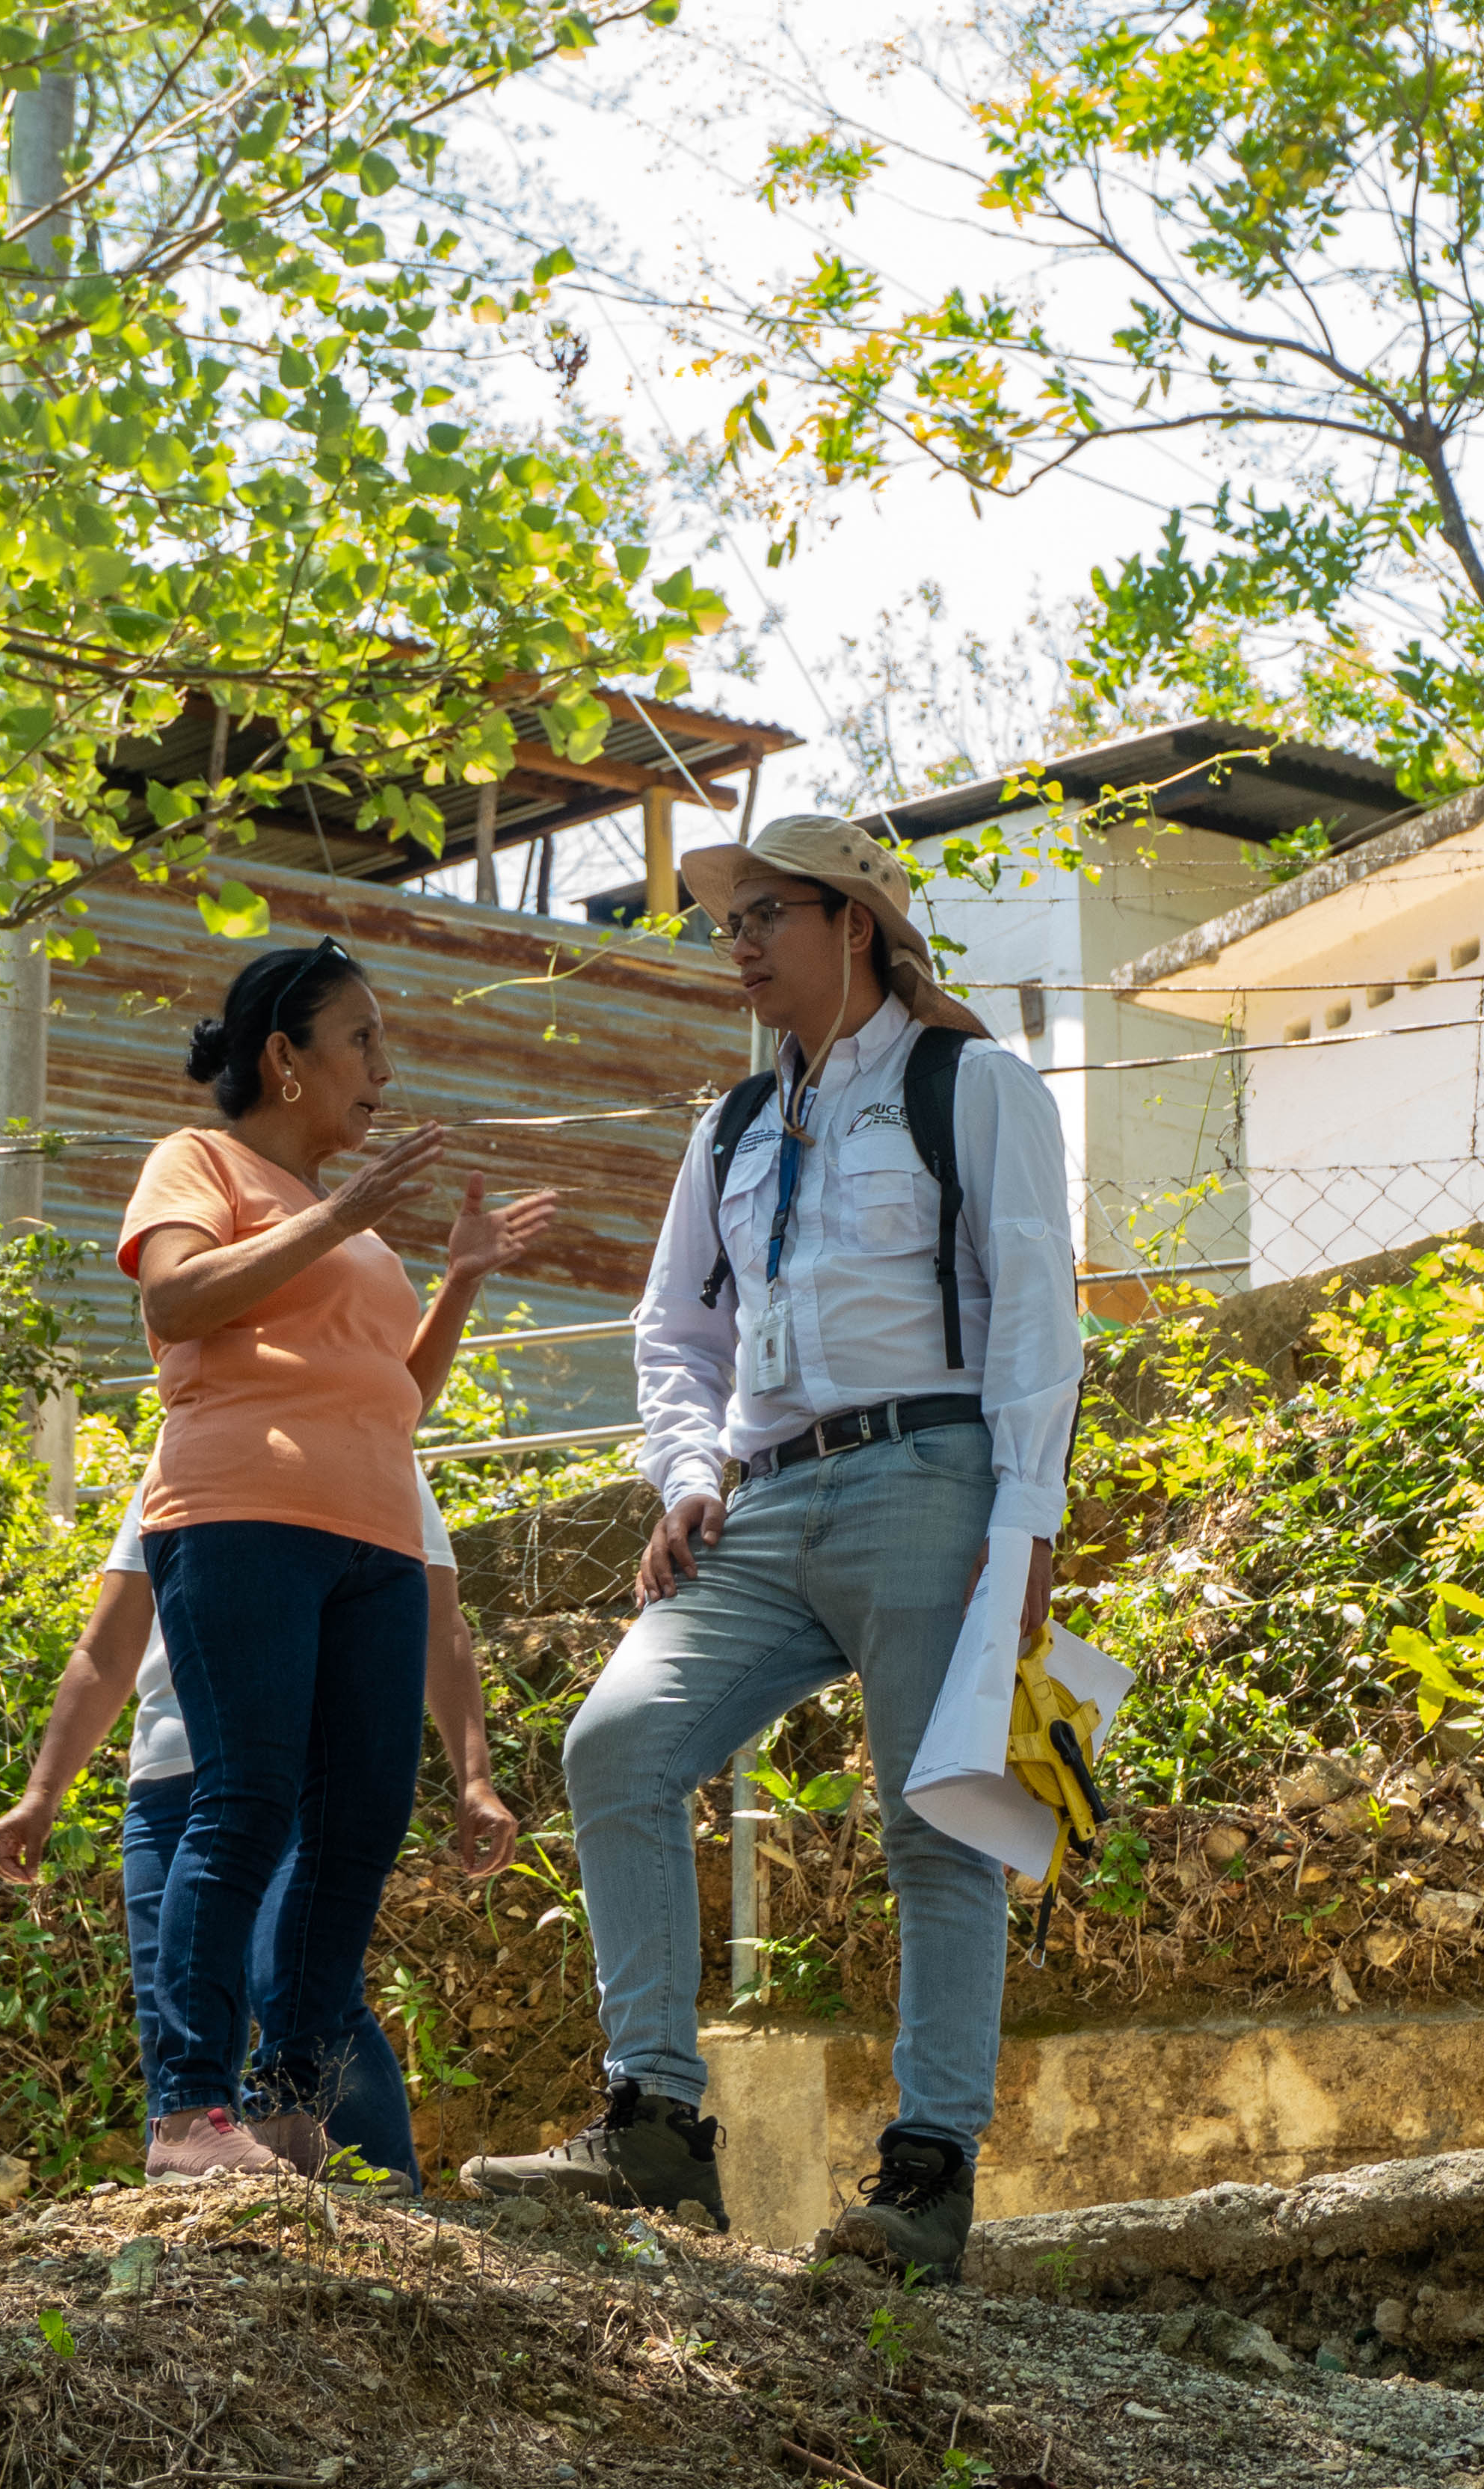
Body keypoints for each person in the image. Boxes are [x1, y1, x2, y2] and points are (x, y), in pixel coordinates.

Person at [461, 815, 1080, 2282]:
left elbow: (1040, 1311)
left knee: (947, 1820)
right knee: (614, 1744)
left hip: (930, 1469)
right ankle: (657, 2122)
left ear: (855, 923)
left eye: (763, 913)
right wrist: (682, 1472)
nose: (733, 940)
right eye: (725, 918)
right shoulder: (731, 1126)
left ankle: (926, 2178)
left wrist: (1029, 1522)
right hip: (755, 1504)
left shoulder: (972, 1082)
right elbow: (673, 1329)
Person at [118, 938, 559, 2179]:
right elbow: (176, 1303)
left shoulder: (357, 1240)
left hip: (375, 1541)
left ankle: (291, 2106)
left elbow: (396, 1399)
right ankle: (190, 2113)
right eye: (360, 1038)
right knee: (247, 1800)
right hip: (239, 1517)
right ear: (284, 1058)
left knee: (358, 1822)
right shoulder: (198, 1163)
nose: (384, 1066)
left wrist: (458, 1280)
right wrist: (338, 1216)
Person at [0, 1484, 518, 2185]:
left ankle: (386, 2203)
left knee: (293, 1985)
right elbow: (108, 1648)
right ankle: (212, 2218)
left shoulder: (371, 1446)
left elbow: (438, 1627)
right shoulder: (181, 1460)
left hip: (294, 1777)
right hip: (169, 1782)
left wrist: (473, 1777)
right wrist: (41, 1794)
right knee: (172, 2008)